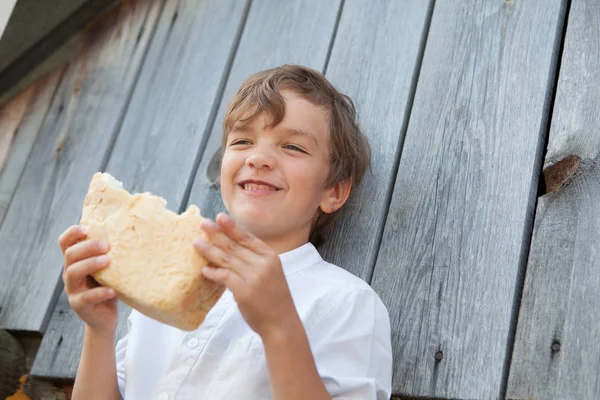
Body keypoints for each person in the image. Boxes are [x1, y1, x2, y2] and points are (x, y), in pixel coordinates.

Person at [58, 64, 393, 399]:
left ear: (333, 191)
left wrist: (278, 327)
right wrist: (99, 329)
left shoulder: (346, 302)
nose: (259, 158)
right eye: (243, 140)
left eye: (293, 147)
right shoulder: (163, 288)